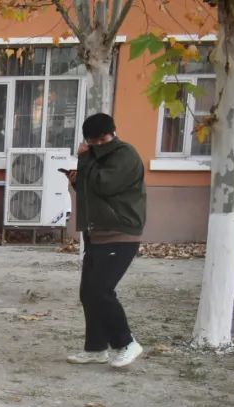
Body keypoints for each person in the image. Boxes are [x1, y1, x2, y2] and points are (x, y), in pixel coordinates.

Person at [66, 113, 145, 369]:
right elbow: (91, 192)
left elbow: (103, 185)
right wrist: (77, 180)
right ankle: (96, 349)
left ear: (113, 133)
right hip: (97, 234)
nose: (100, 144)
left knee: (101, 291)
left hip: (120, 233)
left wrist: (85, 159)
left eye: (103, 139)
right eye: (94, 141)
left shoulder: (125, 155)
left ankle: (126, 343)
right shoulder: (97, 157)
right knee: (88, 293)